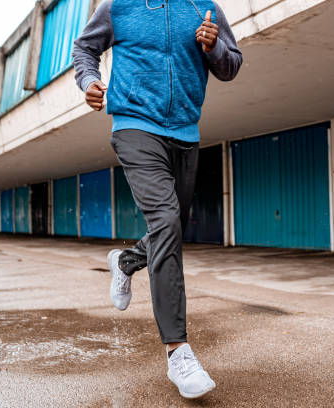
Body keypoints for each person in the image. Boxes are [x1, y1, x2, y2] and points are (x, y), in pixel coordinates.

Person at [72, 0, 242, 399]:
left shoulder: (205, 9)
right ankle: (178, 351)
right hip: (133, 126)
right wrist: (88, 81)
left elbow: (231, 65)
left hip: (185, 133)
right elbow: (84, 47)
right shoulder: (120, 7)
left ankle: (126, 260)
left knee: (170, 228)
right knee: (166, 223)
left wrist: (213, 46)